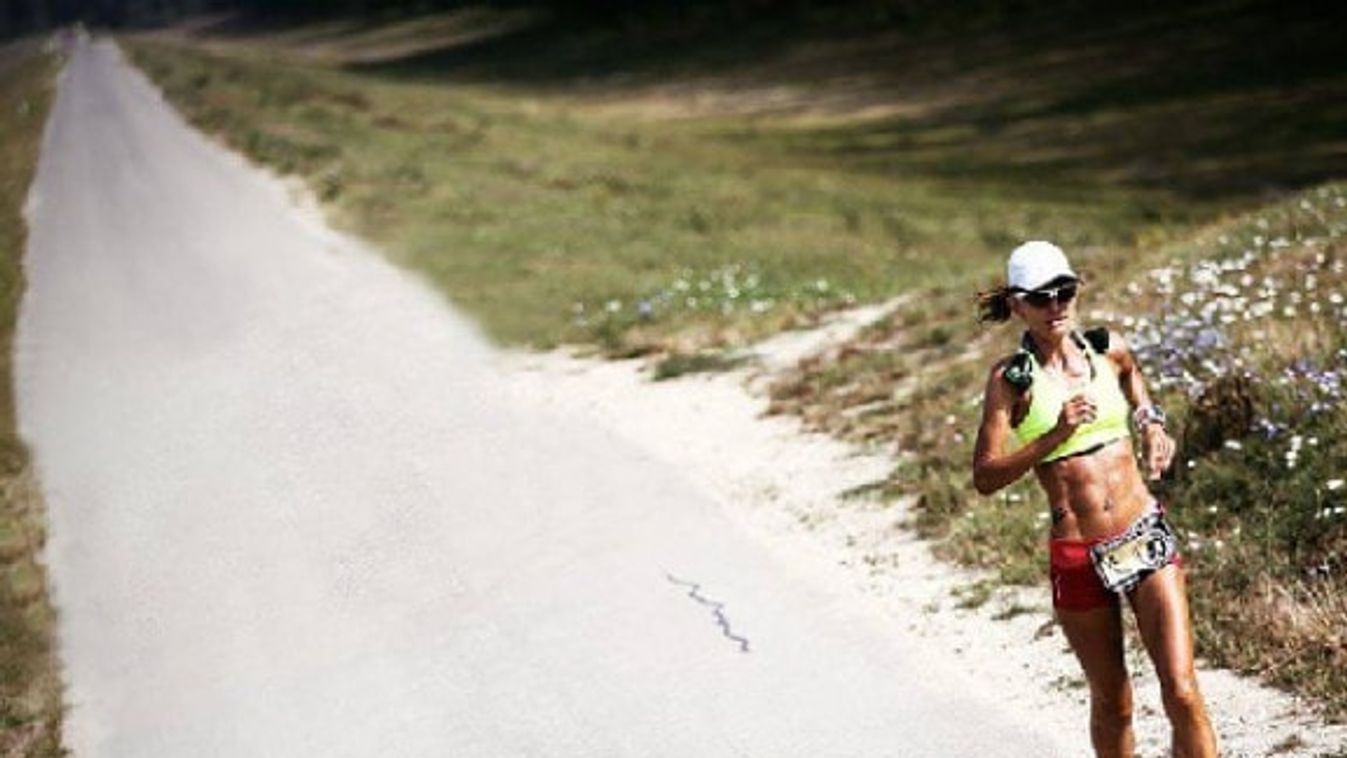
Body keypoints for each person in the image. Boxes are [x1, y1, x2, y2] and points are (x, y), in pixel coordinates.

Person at [971, 241, 1218, 758]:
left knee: (1182, 690)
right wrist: (1052, 437)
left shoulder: (1107, 348)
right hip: (1079, 554)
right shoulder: (1011, 381)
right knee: (1114, 703)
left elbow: (1132, 378)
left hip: (1143, 533)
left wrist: (1150, 423)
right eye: (1041, 298)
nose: (1056, 305)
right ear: (1018, 305)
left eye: (1065, 291)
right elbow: (986, 476)